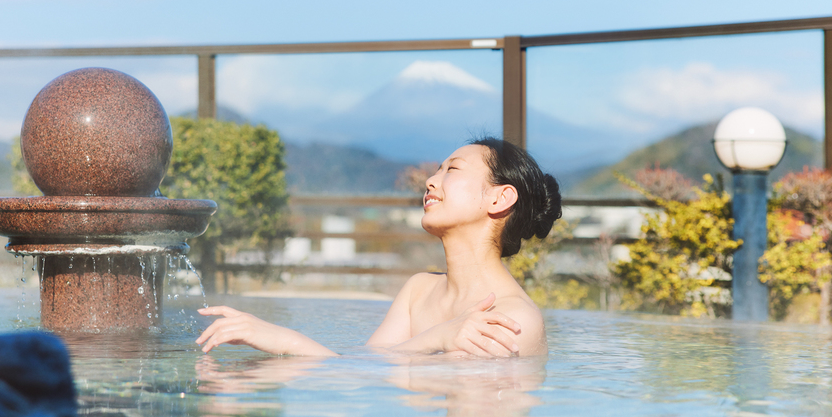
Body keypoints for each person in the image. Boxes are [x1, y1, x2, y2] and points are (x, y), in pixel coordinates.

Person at [195, 138, 562, 357]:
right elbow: (362, 371)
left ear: (500, 199)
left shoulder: (514, 321)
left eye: (452, 170)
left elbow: (382, 374)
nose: (432, 181)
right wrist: (276, 336)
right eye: (437, 170)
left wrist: (285, 342)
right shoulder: (419, 289)